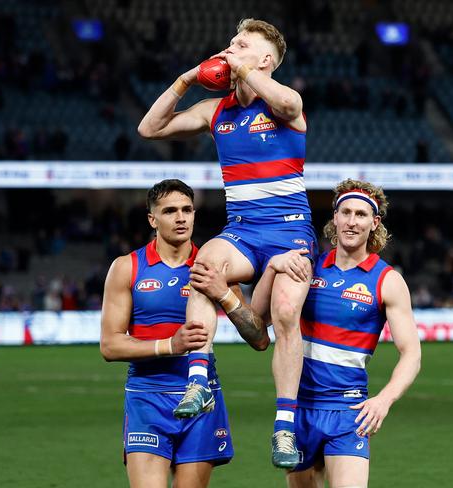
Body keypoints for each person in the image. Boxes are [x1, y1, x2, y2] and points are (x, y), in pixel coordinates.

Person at [138, 18, 315, 468]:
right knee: (203, 267)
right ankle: (198, 381)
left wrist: (244, 67)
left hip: (289, 232)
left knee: (286, 313)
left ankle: (284, 427)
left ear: (266, 60)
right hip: (242, 231)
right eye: (230, 43)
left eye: (242, 45)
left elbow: (288, 99)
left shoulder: (284, 105)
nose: (229, 49)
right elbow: (149, 129)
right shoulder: (215, 110)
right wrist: (184, 80)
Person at [193, 179, 422, 487]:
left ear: (374, 222)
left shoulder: (387, 281)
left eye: (361, 215)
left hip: (346, 411)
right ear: (335, 218)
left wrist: (384, 400)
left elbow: (412, 353)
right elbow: (257, 327)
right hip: (297, 411)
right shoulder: (305, 266)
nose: (352, 222)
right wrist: (271, 267)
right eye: (346, 212)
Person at [100, 179, 238, 488]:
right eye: (170, 211)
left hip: (202, 398)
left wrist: (226, 295)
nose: (181, 218)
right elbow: (109, 345)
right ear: (152, 219)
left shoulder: (215, 267)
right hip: (147, 398)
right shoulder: (127, 267)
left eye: (187, 209)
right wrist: (170, 345)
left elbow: (258, 337)